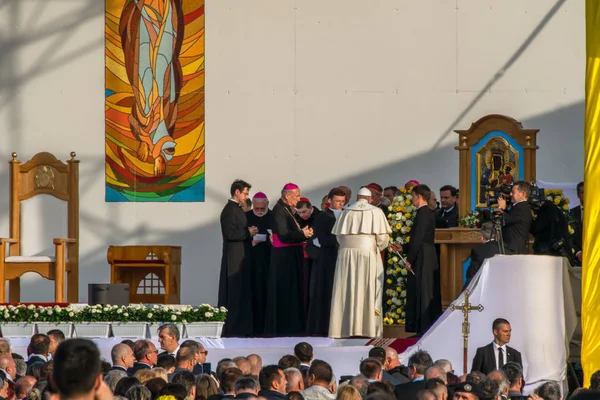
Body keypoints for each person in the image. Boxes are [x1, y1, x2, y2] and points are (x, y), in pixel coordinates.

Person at [328, 187, 395, 338]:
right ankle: (368, 329)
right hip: (368, 256)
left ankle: (342, 329)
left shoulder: (346, 211)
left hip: (346, 256)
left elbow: (339, 238)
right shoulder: (376, 212)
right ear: (370, 199)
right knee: (368, 289)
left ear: (357, 197)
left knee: (346, 289)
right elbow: (383, 240)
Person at [265, 183, 313, 336]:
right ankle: (285, 327)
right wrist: (302, 234)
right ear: (287, 196)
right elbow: (284, 235)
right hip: (284, 259)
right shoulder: (279, 211)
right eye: (297, 195)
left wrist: (301, 232)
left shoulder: (287, 210)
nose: (298, 199)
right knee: (285, 292)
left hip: (290, 256)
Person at [218, 179, 258, 337]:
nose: (247, 196)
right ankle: (234, 328)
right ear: (237, 192)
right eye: (245, 193)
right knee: (235, 292)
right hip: (234, 256)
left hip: (240, 254)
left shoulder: (237, 209)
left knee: (241, 292)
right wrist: (248, 233)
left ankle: (242, 327)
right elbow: (230, 234)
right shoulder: (229, 210)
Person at [306, 188, 346, 336]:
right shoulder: (323, 217)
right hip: (327, 260)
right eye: (337, 201)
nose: (340, 204)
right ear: (329, 200)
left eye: (342, 201)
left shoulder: (346, 215)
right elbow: (322, 239)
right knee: (325, 292)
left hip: (339, 258)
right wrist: (341, 239)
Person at [404, 184, 442, 337]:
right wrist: (404, 247)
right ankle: (422, 327)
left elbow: (418, 239)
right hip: (426, 253)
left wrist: (409, 259)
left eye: (412, 196)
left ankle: (424, 328)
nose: (412, 199)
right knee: (423, 289)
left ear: (418, 196)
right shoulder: (427, 212)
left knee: (423, 290)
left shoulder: (422, 213)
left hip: (423, 255)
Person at [246, 192, 273, 336]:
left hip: (269, 261)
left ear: (267, 204)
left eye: (263, 208)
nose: (260, 211)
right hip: (252, 262)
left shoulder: (273, 216)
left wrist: (270, 239)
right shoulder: (246, 217)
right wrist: (250, 240)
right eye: (257, 209)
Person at [497, 181, 533, 255]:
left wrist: (501, 208)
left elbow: (505, 221)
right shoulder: (519, 207)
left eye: (513, 192)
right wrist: (504, 210)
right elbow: (511, 219)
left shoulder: (522, 208)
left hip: (514, 250)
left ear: (522, 194)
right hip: (512, 248)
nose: (510, 194)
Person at [570, 181, 584, 263]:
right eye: (583, 192)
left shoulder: (597, 213)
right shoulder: (572, 213)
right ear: (578, 195)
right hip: (578, 260)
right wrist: (578, 253)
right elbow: (569, 236)